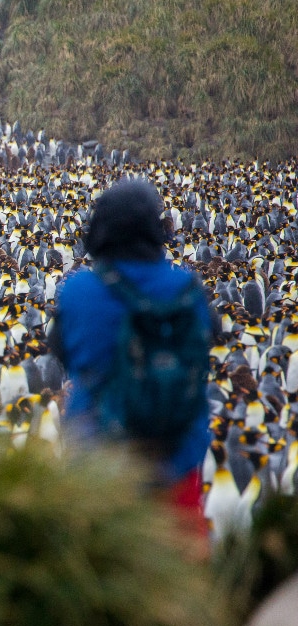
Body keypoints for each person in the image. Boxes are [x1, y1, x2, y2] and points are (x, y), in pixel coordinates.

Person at [49, 178, 214, 532]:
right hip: (177, 456)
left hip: (98, 454)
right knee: (180, 566)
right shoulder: (186, 287)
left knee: (96, 566)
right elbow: (209, 339)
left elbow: (62, 352)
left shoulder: (78, 290)